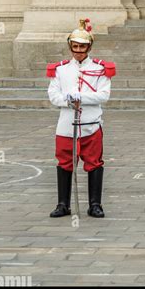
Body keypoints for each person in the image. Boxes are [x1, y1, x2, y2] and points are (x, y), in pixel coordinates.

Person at [47, 18, 115, 218]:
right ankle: (63, 204)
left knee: (94, 163)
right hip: (67, 124)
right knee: (64, 162)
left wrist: (81, 97)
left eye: (82, 47)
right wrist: (68, 100)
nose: (78, 51)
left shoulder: (101, 69)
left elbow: (104, 95)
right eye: (75, 46)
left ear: (89, 47)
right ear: (70, 47)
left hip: (91, 124)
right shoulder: (60, 69)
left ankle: (95, 204)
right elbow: (53, 95)